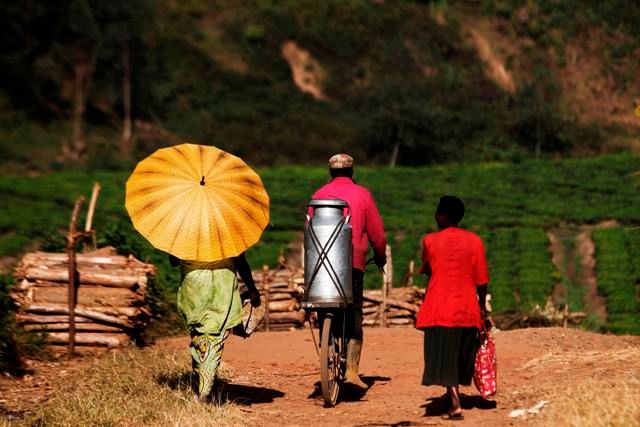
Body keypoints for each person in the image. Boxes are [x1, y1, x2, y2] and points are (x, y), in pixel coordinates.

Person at [311, 153, 387, 389]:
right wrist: (381, 257)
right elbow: (377, 234)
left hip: (321, 263)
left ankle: (328, 343)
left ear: (330, 172)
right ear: (352, 172)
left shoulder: (318, 195)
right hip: (353, 263)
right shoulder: (363, 194)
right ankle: (352, 371)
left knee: (324, 305)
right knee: (354, 312)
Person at [416, 196, 489, 420]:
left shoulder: (430, 241)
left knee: (445, 356)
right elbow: (482, 281)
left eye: (438, 212)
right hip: (467, 309)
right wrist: (482, 309)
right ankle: (454, 393)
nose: (435, 216)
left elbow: (428, 268)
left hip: (439, 308)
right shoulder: (475, 241)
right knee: (459, 356)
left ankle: (455, 403)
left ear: (442, 216)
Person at [171, 252, 261, 402]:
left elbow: (173, 261)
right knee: (214, 338)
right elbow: (241, 263)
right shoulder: (228, 231)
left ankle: (200, 385)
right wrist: (252, 288)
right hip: (221, 288)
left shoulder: (186, 232)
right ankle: (204, 392)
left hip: (194, 288)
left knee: (199, 337)